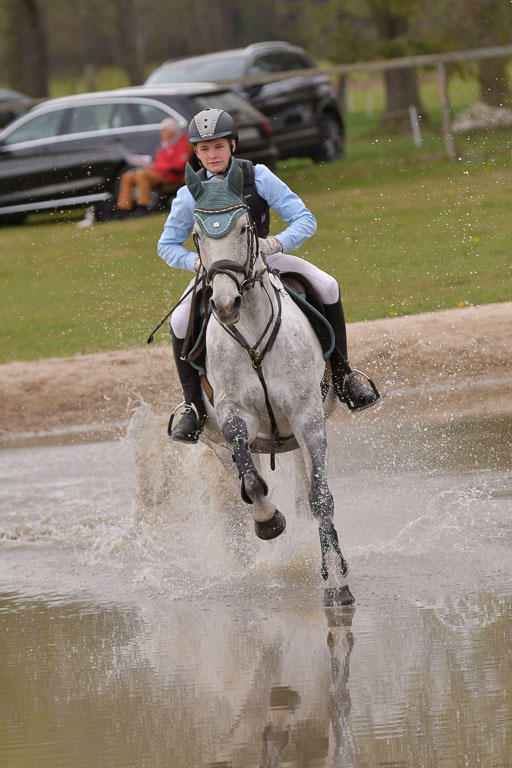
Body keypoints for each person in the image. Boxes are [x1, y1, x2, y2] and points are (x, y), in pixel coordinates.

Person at [158, 108, 379, 443]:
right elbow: (167, 244)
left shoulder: (257, 176)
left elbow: (304, 218)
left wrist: (276, 243)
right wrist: (195, 263)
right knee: (179, 319)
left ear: (232, 145)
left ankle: (345, 377)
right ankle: (193, 408)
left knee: (327, 285)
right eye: (203, 149)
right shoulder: (190, 193)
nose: (211, 155)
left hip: (265, 261)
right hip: (217, 272)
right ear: (196, 152)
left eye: (218, 147)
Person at [116, 117, 191, 213]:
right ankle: (124, 208)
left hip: (171, 176)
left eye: (164, 130)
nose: (162, 133)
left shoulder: (182, 143)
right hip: (157, 172)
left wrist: (156, 166)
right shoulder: (165, 143)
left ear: (172, 131)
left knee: (141, 175)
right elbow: (159, 161)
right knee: (127, 176)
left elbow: (179, 165)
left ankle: (143, 206)